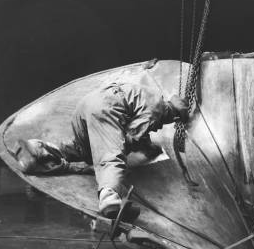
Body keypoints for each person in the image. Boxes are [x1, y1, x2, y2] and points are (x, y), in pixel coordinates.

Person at [15, 81, 189, 219]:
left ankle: (38, 150)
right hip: (106, 108)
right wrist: (132, 157)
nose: (160, 128)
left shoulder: (147, 95)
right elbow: (131, 136)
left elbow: (136, 126)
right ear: (172, 112)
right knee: (112, 152)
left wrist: (148, 147)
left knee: (80, 149)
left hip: (86, 105)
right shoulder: (158, 108)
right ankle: (109, 198)